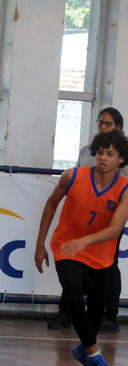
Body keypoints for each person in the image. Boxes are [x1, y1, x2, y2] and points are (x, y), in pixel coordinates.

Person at [35, 129, 128, 366]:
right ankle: (96, 359)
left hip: (100, 255)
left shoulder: (124, 189)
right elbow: (51, 204)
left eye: (110, 154)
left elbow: (115, 229)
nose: (103, 158)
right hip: (66, 248)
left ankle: (83, 349)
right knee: (74, 299)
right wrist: (40, 244)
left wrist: (86, 240)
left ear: (121, 159)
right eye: (100, 152)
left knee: (95, 312)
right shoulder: (72, 176)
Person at [48, 107, 126, 333]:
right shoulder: (86, 152)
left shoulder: (123, 153)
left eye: (108, 123)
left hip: (109, 217)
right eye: (101, 122)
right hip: (84, 216)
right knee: (72, 263)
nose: (103, 126)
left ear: (118, 128)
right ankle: (67, 312)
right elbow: (79, 179)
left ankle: (109, 316)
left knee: (109, 265)